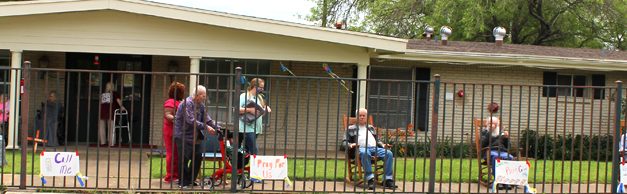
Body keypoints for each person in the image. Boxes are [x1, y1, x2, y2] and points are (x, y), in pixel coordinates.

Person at [174, 85, 218, 188]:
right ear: (197, 95)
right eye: (203, 95)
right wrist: (206, 127)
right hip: (183, 135)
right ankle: (183, 182)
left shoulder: (200, 105)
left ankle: (190, 180)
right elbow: (190, 120)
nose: (205, 98)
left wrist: (217, 127)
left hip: (195, 136)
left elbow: (207, 118)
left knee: (197, 156)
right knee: (184, 159)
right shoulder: (187, 103)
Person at [342, 108, 397, 190]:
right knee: (365, 153)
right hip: (361, 149)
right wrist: (350, 145)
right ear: (357, 117)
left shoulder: (371, 128)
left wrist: (383, 144)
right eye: (360, 115)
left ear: (366, 117)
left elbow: (377, 140)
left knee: (389, 153)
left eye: (363, 115)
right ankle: (370, 179)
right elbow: (344, 142)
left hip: (374, 148)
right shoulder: (350, 128)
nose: (361, 117)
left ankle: (387, 180)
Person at [238, 78, 271, 155]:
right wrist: (249, 110)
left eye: (263, 87)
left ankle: (240, 165)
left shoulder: (259, 97)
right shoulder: (244, 96)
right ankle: (255, 166)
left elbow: (260, 113)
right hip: (247, 128)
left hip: (256, 128)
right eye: (261, 87)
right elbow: (236, 109)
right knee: (254, 151)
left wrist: (265, 109)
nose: (262, 89)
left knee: (246, 150)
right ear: (255, 86)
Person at [480, 116, 514, 190]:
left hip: (502, 151)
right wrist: (489, 132)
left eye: (495, 124)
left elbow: (508, 147)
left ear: (498, 124)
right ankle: (498, 181)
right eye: (491, 123)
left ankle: (506, 181)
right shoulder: (485, 132)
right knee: (496, 158)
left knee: (510, 157)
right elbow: (482, 144)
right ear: (487, 124)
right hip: (490, 151)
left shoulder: (501, 132)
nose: (493, 125)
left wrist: (506, 138)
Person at [162, 81, 185, 183]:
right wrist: (176, 119)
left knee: (177, 154)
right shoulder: (170, 102)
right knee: (172, 154)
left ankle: (176, 175)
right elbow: (167, 114)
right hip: (171, 130)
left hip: (178, 131)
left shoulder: (179, 102)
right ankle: (170, 176)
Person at [99, 82, 125, 147]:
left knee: (102, 127)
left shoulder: (103, 94)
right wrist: (122, 107)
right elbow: (118, 101)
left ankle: (103, 142)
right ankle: (111, 142)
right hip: (111, 112)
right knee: (111, 128)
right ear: (113, 87)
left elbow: (101, 103)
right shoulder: (115, 94)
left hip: (102, 112)